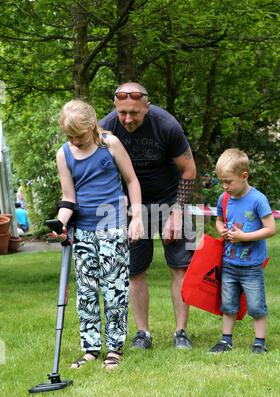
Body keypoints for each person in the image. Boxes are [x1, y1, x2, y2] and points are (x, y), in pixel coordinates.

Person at [100, 82, 197, 350]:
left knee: (180, 266)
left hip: (170, 200)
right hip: (131, 206)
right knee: (135, 270)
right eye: (122, 113)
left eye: (134, 113)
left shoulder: (166, 125)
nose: (128, 119)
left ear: (147, 106)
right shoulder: (105, 128)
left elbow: (189, 170)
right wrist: (122, 204)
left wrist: (177, 211)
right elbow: (100, 171)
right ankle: (143, 333)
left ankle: (181, 332)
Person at [55, 99, 143, 370]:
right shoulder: (64, 154)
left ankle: (114, 348)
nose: (75, 141)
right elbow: (68, 197)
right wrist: (60, 224)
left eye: (79, 135)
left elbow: (131, 180)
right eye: (69, 136)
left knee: (114, 290)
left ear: (92, 126)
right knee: (87, 292)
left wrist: (137, 217)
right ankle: (91, 348)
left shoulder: (110, 144)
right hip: (83, 230)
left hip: (113, 226)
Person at [210, 148, 276, 354]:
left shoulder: (258, 199)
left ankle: (259, 341)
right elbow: (219, 221)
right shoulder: (224, 198)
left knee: (256, 306)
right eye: (222, 181)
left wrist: (243, 237)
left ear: (244, 176)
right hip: (229, 263)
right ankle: (226, 340)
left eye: (228, 181)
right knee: (228, 304)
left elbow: (271, 229)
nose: (224, 186)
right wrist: (222, 230)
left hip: (252, 266)